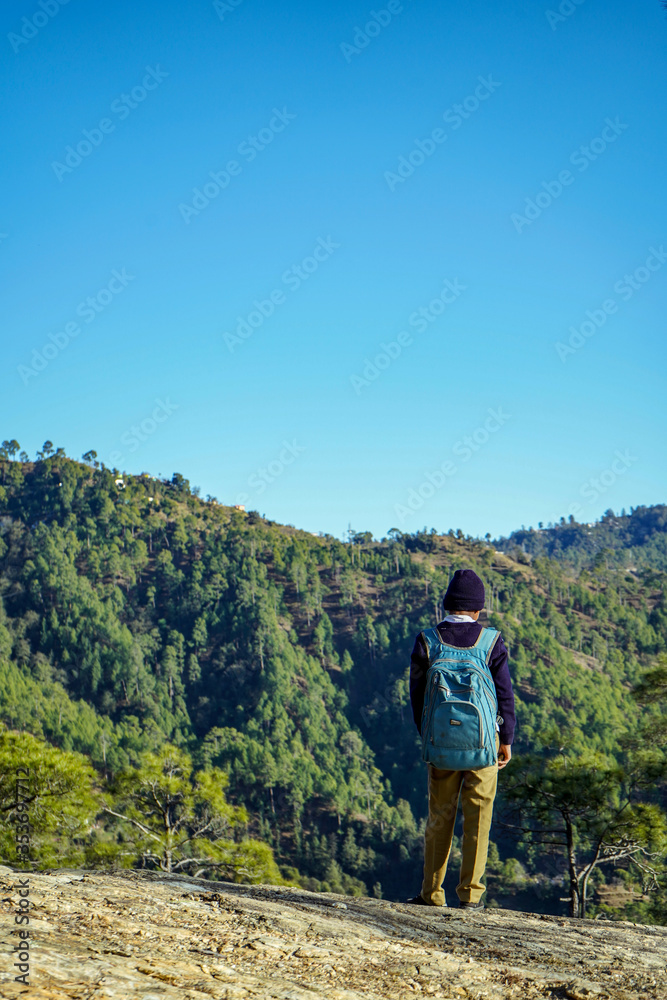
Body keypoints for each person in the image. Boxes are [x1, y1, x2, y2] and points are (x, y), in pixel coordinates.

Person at [406, 568, 515, 909]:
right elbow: (505, 695)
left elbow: (418, 695)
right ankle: (471, 896)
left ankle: (432, 894)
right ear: (478, 609)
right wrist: (505, 739)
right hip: (484, 746)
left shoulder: (427, 640)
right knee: (478, 818)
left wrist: (430, 737)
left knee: (440, 818)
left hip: (441, 745)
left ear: (446, 604)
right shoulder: (491, 641)